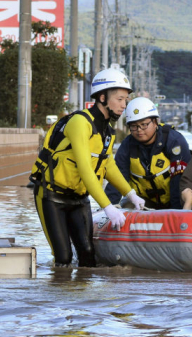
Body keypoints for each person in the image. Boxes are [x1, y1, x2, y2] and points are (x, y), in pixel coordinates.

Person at [29, 68, 145, 267]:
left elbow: (107, 165)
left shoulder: (107, 131)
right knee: (63, 259)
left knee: (88, 256)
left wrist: (131, 194)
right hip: (51, 196)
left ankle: (84, 297)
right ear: (102, 97)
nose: (123, 105)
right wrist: (108, 207)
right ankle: (58, 293)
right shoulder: (80, 122)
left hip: (79, 199)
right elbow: (85, 169)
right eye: (119, 99)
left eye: (125, 100)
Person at [107, 97, 192, 209]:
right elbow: (117, 178)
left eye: (144, 124)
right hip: (144, 203)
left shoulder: (174, 141)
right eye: (134, 126)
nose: (139, 130)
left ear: (155, 122)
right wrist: (108, 208)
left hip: (175, 201)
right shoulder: (127, 146)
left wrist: (175, 213)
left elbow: (180, 181)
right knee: (127, 205)